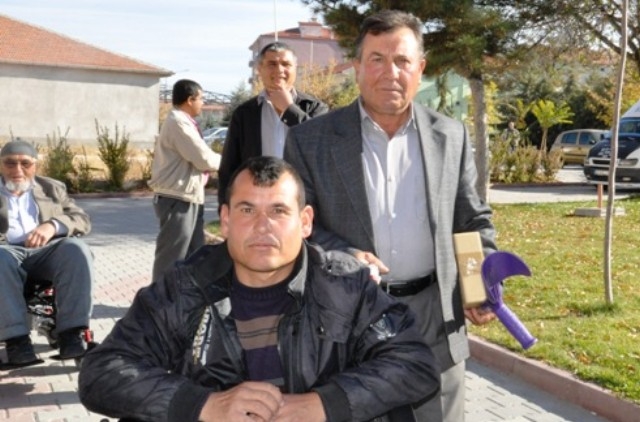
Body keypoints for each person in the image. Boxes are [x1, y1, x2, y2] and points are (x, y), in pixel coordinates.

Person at [78, 156, 439, 422]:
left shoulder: (346, 286)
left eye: (279, 211)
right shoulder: (184, 289)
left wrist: (325, 404)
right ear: (225, 220)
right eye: (247, 210)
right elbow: (102, 372)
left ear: (306, 222)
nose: (263, 226)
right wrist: (204, 405)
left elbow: (415, 363)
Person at [284, 10, 497, 422]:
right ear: (358, 66)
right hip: (349, 317)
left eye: (402, 60)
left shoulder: (450, 135)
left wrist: (481, 280)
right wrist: (345, 254)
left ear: (421, 68)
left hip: (435, 318)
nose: (390, 73)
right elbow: (296, 225)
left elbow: (471, 219)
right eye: (377, 59)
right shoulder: (310, 140)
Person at [0, 139, 93, 368]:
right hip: (5, 252)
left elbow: (81, 219)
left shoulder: (52, 188)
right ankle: (17, 343)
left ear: (35, 165)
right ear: (1, 165)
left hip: (45, 252)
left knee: (77, 250)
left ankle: (72, 335)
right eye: (10, 163)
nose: (17, 170)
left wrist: (52, 225)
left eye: (25, 163)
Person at [217, 41, 328, 208]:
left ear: (295, 68)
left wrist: (289, 110)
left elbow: (321, 146)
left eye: (286, 64)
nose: (279, 70)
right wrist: (225, 208)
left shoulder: (315, 107)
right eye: (272, 64)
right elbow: (229, 167)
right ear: (259, 69)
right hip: (257, 202)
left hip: (302, 203)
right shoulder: (244, 113)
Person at [148, 79, 221, 282]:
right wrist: (228, 160)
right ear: (190, 100)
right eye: (201, 99)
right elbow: (203, 158)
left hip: (188, 196)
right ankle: (159, 297)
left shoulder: (183, 121)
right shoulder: (178, 123)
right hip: (177, 198)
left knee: (194, 253)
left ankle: (187, 296)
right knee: (172, 256)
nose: (203, 104)